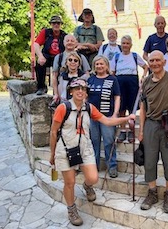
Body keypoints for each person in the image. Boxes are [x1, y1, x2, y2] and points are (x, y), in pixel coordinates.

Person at [49, 78, 134, 226]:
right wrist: (52, 154)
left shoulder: (89, 108)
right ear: (71, 91)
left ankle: (87, 186)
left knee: (93, 178)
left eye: (83, 89)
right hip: (66, 148)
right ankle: (71, 209)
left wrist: (126, 118)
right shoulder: (63, 108)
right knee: (70, 182)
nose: (80, 91)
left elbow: (107, 121)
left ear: (86, 92)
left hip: (85, 148)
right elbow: (53, 132)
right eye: (77, 88)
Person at [138, 50, 168, 213]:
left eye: (158, 60)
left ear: (164, 61)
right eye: (151, 61)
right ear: (148, 63)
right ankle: (152, 193)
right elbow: (143, 107)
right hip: (151, 124)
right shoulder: (146, 82)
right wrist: (141, 129)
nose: (155, 63)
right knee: (149, 160)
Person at [88, 56, 121, 178]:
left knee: (109, 142)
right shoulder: (90, 80)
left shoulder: (113, 79)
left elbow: (117, 96)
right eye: (97, 64)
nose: (99, 66)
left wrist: (115, 113)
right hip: (92, 117)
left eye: (102, 64)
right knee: (94, 142)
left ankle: (112, 166)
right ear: (94, 66)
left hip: (107, 117)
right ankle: (94, 166)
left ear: (106, 65)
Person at [111, 35, 148, 142]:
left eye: (127, 43)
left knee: (132, 109)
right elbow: (112, 72)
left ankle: (132, 131)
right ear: (121, 44)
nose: (125, 45)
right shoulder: (117, 57)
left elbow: (146, 66)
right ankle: (122, 131)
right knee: (121, 109)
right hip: (120, 84)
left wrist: (143, 77)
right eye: (123, 43)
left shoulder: (135, 56)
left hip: (132, 84)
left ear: (131, 45)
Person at [52, 34, 91, 104]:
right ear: (64, 43)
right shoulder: (58, 57)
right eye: (67, 41)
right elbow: (54, 76)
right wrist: (56, 94)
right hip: (63, 97)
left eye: (72, 41)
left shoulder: (82, 57)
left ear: (76, 43)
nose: (69, 42)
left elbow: (87, 75)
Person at [34, 15, 67, 95]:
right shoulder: (45, 32)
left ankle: (58, 91)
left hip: (59, 57)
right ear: (51, 24)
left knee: (62, 69)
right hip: (47, 55)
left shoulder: (64, 35)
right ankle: (41, 87)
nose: (56, 25)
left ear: (60, 24)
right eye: (54, 23)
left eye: (58, 23)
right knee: (39, 65)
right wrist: (40, 56)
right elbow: (36, 44)